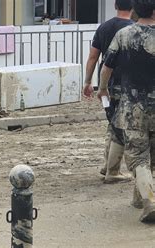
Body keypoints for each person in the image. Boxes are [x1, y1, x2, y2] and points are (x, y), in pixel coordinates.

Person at [97, 0, 155, 222]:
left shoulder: (123, 34)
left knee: (139, 156)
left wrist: (103, 89)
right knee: (151, 154)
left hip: (133, 107)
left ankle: (148, 201)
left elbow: (107, 66)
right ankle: (140, 199)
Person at [83, 0, 134, 183]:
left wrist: (88, 82)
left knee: (112, 122)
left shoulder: (104, 27)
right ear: (133, 7)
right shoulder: (133, 30)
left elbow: (93, 57)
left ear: (115, 5)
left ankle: (108, 165)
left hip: (107, 85)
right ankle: (113, 171)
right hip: (128, 86)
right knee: (120, 126)